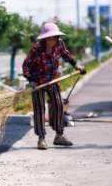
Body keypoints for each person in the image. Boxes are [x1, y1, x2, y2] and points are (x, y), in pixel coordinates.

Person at [22, 22, 86, 150]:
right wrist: (30, 80)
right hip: (38, 81)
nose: (52, 40)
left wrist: (76, 65)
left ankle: (59, 135)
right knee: (40, 108)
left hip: (53, 79)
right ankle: (41, 138)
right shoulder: (37, 48)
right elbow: (26, 65)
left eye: (54, 37)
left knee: (58, 104)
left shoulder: (59, 44)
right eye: (50, 38)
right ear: (45, 38)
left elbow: (66, 56)